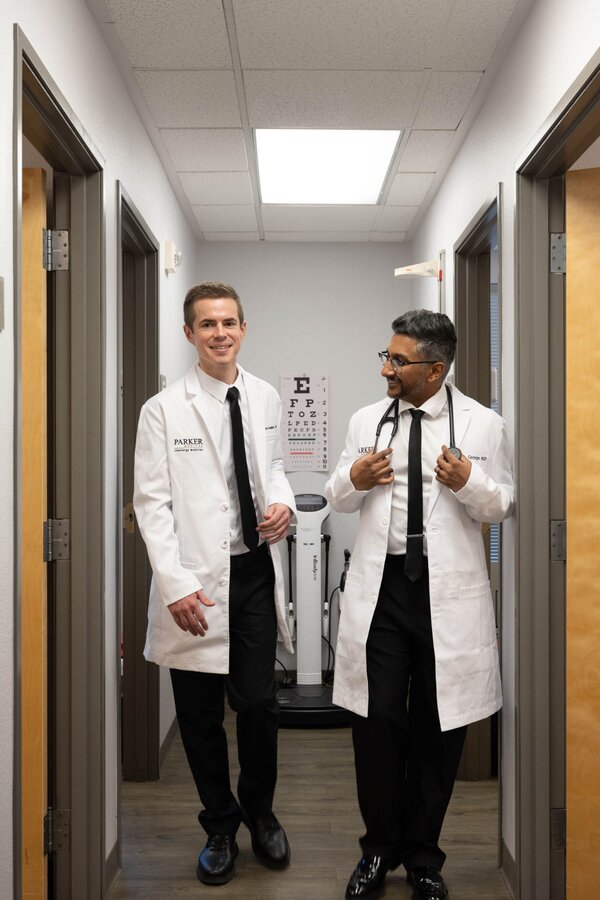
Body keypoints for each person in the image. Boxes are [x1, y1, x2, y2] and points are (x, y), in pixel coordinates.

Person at [325, 310, 514, 900]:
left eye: (397, 360)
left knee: (438, 729)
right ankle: (378, 850)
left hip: (445, 594)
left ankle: (425, 857)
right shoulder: (365, 419)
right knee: (377, 722)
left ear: (435, 369)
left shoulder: (484, 426)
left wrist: (468, 483)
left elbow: (501, 505)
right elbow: (337, 500)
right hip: (381, 592)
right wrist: (354, 477)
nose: (386, 367)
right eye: (385, 356)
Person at [133, 282, 295, 886]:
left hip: (253, 569)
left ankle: (261, 812)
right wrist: (174, 585)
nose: (220, 333)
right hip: (195, 579)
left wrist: (282, 504)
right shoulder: (163, 409)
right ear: (189, 334)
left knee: (257, 704)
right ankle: (220, 827)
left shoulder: (265, 396)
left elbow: (272, 466)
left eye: (229, 322)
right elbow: (151, 504)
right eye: (207, 325)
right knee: (200, 716)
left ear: (244, 328)